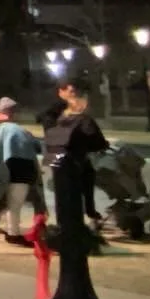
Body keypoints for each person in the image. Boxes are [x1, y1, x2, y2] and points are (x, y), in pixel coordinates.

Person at [44, 78, 108, 229]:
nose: (73, 95)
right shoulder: (82, 120)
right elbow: (97, 141)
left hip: (56, 158)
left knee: (62, 195)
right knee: (77, 192)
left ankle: (64, 226)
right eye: (71, 92)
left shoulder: (55, 117)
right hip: (75, 161)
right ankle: (83, 220)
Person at [0, 97, 42, 244]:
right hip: (20, 172)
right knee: (15, 205)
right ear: (11, 112)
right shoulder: (17, 130)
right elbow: (34, 147)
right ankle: (14, 234)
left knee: (9, 204)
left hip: (3, 172)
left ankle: (10, 230)